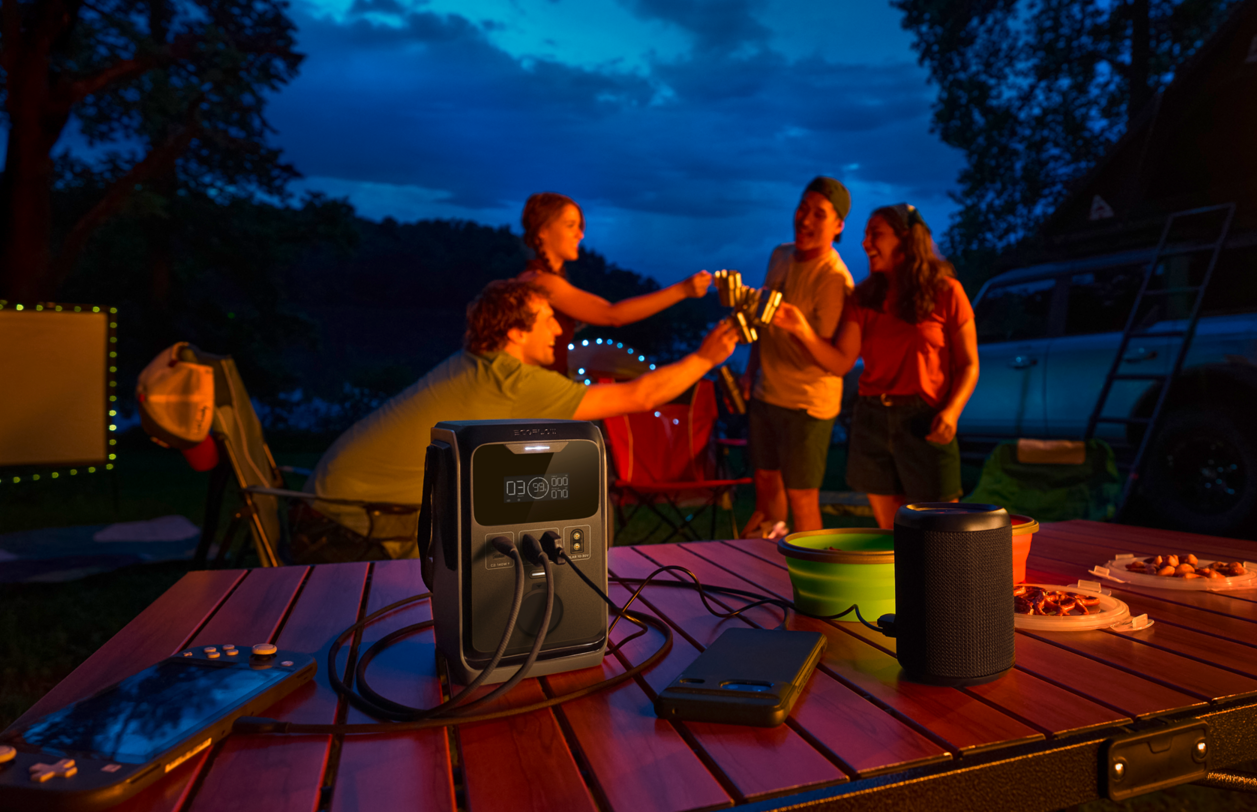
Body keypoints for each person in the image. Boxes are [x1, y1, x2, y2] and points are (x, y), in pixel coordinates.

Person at [298, 278, 740, 560]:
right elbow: (642, 396)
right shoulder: (512, 380)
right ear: (516, 332)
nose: (557, 330)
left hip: (331, 512)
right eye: (548, 320)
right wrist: (706, 356)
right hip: (349, 533)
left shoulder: (480, 364)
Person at [770, 204, 979, 530]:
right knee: (891, 535)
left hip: (925, 421)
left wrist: (952, 412)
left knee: (942, 533)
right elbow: (840, 362)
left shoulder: (947, 292)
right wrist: (801, 329)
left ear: (907, 239)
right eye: (866, 235)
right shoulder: (864, 297)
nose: (866, 243)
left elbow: (968, 364)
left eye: (876, 234)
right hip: (873, 420)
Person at [739, 176, 856, 539]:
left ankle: (811, 577)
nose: (805, 220)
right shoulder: (780, 255)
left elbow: (834, 359)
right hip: (766, 391)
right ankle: (769, 565)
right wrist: (750, 370)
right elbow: (763, 319)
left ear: (837, 226)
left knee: (803, 499)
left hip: (808, 402)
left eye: (818, 214)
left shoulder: (834, 279)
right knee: (765, 484)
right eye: (802, 209)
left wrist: (801, 328)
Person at [518, 192, 712, 374]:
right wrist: (683, 290)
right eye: (570, 225)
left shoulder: (542, 278)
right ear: (543, 230)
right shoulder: (542, 282)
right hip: (542, 400)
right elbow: (613, 315)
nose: (580, 234)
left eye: (580, 227)